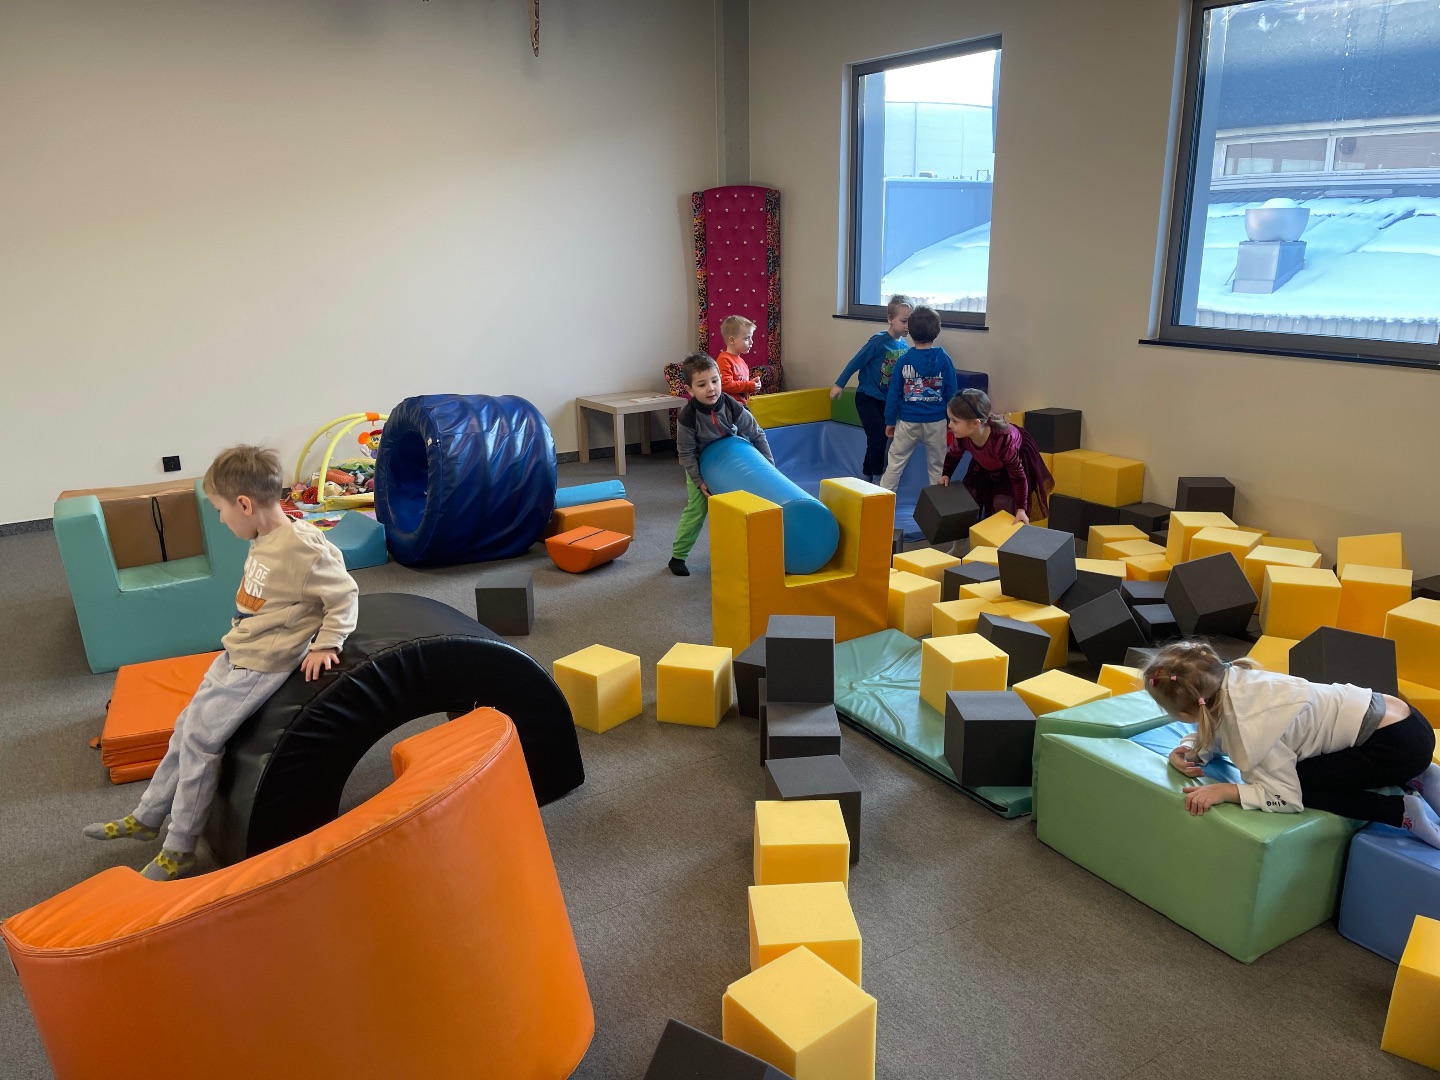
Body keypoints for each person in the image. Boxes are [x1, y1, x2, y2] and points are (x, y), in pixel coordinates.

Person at [83, 446, 359, 879]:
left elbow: (344, 593)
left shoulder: (302, 546)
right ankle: (147, 816)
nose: (220, 519)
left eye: (220, 510)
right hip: (237, 650)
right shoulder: (266, 537)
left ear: (245, 505)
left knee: (200, 743)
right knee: (184, 728)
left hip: (262, 663)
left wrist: (327, 643)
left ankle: (179, 848)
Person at [1143, 639, 1440, 847]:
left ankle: (1399, 810)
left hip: (1394, 748)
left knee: (1303, 783)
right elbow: (1219, 724)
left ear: (1185, 714)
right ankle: (1417, 775)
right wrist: (1193, 749)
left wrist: (1227, 791)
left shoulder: (1252, 732)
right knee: (1307, 764)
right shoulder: (1236, 680)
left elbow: (1285, 797)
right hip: (1407, 720)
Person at [670, 353, 774, 577]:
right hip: (700, 463)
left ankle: (746, 552)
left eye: (715, 381)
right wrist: (699, 482)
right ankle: (678, 556)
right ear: (690, 390)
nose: (711, 389)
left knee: (740, 505)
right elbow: (685, 452)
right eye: (702, 384)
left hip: (732, 455)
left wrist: (769, 468)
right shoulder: (688, 416)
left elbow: (756, 434)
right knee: (698, 509)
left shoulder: (730, 404)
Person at [829, 294, 911, 482]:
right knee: (878, 438)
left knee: (878, 439)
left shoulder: (904, 345)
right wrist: (839, 384)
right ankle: (878, 477)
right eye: (904, 321)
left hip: (886, 401)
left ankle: (866, 475)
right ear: (890, 319)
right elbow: (855, 362)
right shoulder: (878, 342)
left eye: (910, 322)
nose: (908, 326)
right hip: (867, 398)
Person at [941, 389, 1054, 525]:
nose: (949, 425)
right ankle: (964, 537)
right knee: (969, 496)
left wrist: (1021, 509)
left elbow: (1018, 477)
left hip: (1012, 463)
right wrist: (946, 474)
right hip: (987, 460)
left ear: (975, 423)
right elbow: (953, 455)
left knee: (1002, 502)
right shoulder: (962, 435)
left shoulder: (1003, 440)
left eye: (954, 421)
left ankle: (1002, 536)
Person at [878, 305, 956, 491]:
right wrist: (952, 419)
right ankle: (938, 505)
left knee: (895, 463)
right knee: (938, 466)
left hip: (908, 421)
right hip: (936, 422)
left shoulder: (904, 360)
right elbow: (952, 392)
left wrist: (890, 421)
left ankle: (882, 501)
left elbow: (894, 393)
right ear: (936, 332)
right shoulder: (944, 359)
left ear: (910, 332)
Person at [716, 314, 760, 406]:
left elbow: (740, 387)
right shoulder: (724, 359)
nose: (751, 342)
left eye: (751, 337)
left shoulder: (742, 361)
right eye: (747, 338)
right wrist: (749, 386)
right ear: (732, 340)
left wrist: (752, 386)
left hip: (742, 405)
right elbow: (725, 384)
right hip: (729, 407)